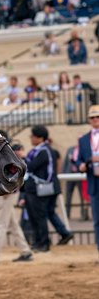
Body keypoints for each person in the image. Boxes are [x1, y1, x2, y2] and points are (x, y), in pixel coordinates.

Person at [0, 141, 33, 265]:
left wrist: (6, 191)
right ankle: (25, 251)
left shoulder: (5, 156)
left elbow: (14, 176)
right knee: (13, 225)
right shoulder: (6, 155)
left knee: (2, 225)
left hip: (5, 195)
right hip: (6, 194)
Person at [23, 125, 71, 252]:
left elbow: (30, 166)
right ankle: (42, 241)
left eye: (32, 136)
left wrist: (22, 158)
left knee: (40, 216)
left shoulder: (44, 151)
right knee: (42, 215)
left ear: (39, 138)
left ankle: (43, 243)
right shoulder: (41, 150)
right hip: (39, 188)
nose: (31, 139)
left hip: (40, 189)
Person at [77, 105, 99, 261]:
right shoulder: (83, 140)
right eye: (92, 117)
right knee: (97, 220)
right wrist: (82, 165)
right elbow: (79, 160)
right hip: (94, 182)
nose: (95, 120)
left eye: (98, 117)